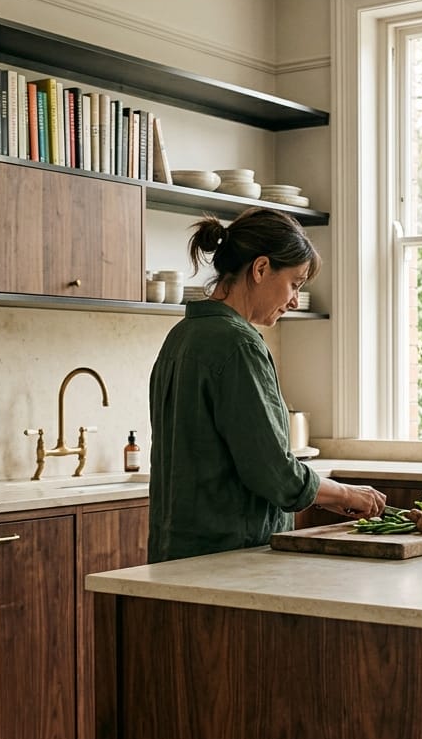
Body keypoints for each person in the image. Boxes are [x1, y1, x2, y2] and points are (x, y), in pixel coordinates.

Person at [148, 207, 386, 561]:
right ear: (260, 269)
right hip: (232, 557)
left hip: (175, 552)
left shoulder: (180, 337)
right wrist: (346, 496)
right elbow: (274, 472)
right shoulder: (238, 344)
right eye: (295, 283)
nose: (293, 300)